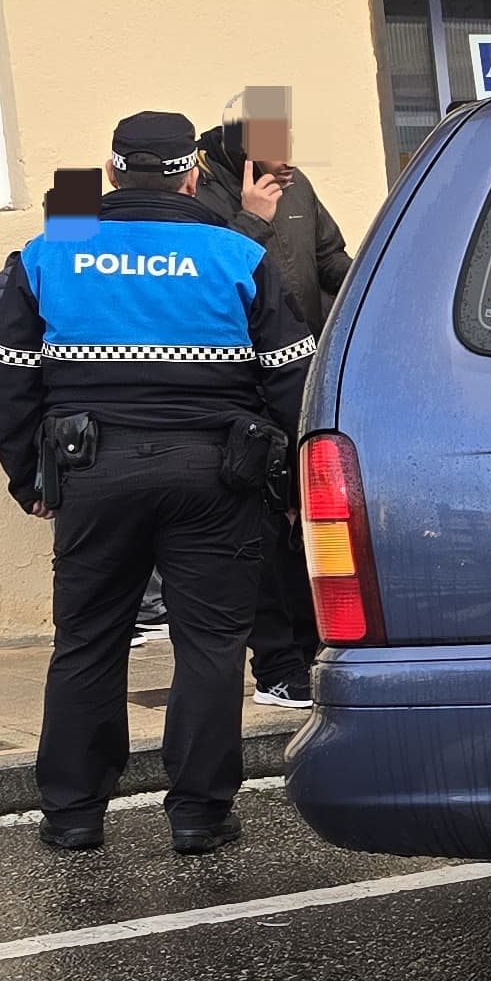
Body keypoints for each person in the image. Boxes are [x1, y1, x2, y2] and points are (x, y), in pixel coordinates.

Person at [0, 111, 319, 856]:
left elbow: (8, 377)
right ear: (193, 175)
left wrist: (27, 478)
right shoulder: (233, 251)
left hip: (91, 471)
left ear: (111, 174)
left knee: (88, 642)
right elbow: (292, 375)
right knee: (210, 645)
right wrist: (292, 485)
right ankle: (199, 814)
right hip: (215, 475)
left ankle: (73, 816)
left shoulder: (54, 250)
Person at [195, 119, 352, 707]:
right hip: (239, 384)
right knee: (259, 532)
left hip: (299, 372)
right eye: (271, 167)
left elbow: (331, 260)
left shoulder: (298, 186)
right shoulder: (202, 198)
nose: (285, 174)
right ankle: (276, 665)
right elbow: (217, 279)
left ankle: (314, 650)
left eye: (289, 164)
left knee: (307, 522)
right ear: (235, 164)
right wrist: (253, 216)